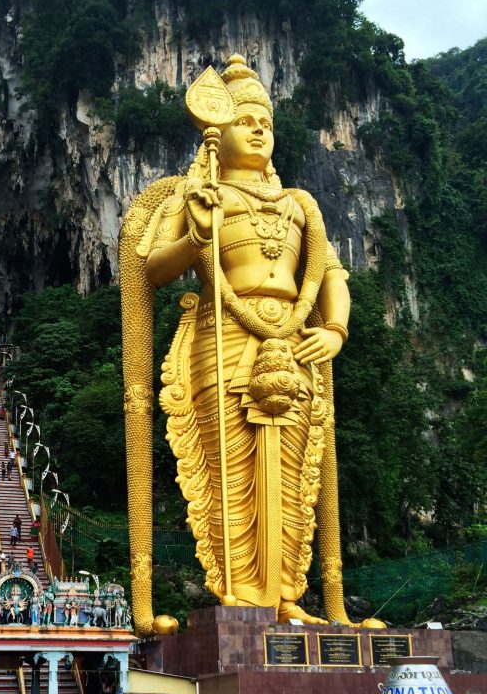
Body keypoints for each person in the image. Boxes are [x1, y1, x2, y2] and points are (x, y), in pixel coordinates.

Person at [121, 55, 361, 635]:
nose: (258, 129)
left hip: (296, 341)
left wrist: (332, 330)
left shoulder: (301, 204)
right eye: (244, 119)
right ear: (216, 131)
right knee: (230, 473)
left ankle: (288, 597)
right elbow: (149, 267)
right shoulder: (199, 193)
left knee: (296, 472)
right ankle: (239, 592)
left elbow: (332, 278)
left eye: (265, 121)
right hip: (222, 338)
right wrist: (197, 234)